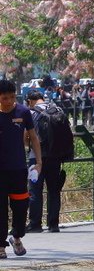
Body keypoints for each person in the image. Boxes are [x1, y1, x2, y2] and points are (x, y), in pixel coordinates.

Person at [0, 79, 42, 259]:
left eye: (11, 97)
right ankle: (0, 246)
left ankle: (16, 237)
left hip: (18, 169)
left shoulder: (23, 112)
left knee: (20, 207)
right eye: (4, 98)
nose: (8, 101)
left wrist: (39, 162)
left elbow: (33, 138)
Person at [25, 90, 70, 233]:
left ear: (30, 101)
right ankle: (53, 224)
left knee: (35, 191)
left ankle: (35, 224)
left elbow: (26, 136)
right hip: (55, 157)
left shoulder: (31, 113)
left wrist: (27, 147)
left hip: (35, 157)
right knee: (54, 190)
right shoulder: (57, 110)